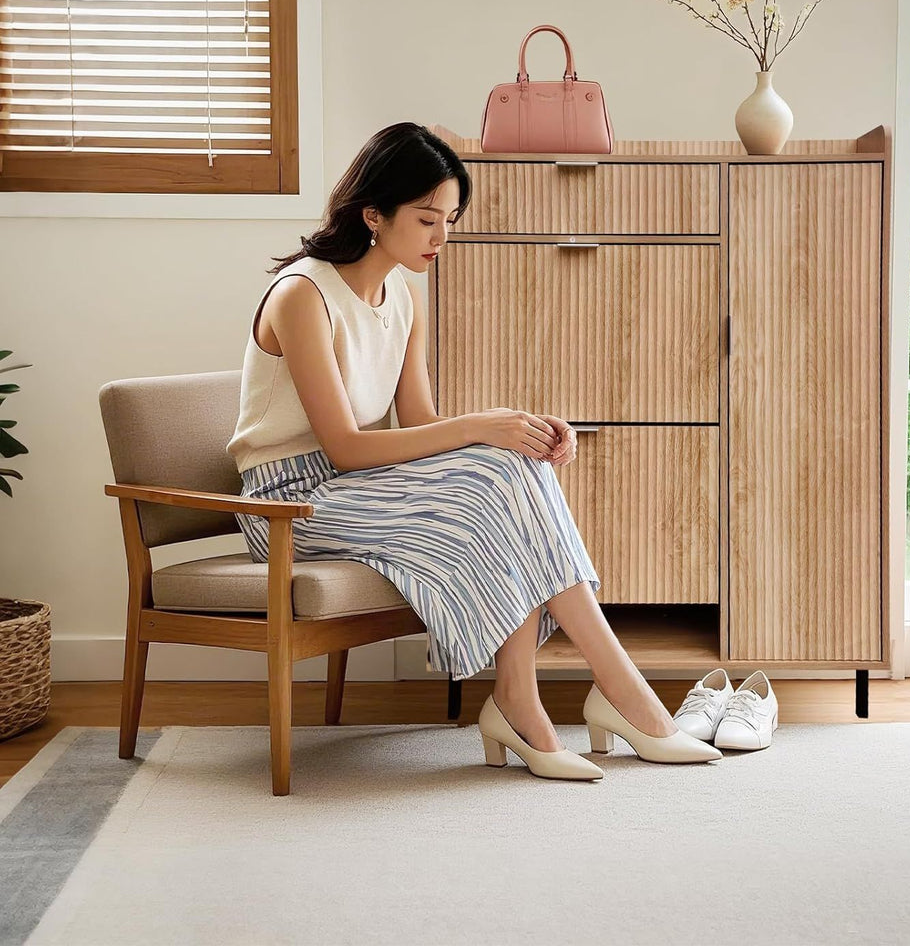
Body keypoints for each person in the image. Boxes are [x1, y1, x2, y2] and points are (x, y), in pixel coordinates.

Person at [227, 121, 716, 779]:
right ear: (373, 214)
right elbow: (344, 448)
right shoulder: (302, 295)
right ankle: (618, 696)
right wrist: (483, 427)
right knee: (495, 468)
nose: (441, 237)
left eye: (450, 220)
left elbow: (419, 424)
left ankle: (523, 701)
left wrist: (521, 432)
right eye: (426, 220)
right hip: (289, 505)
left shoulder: (404, 296)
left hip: (356, 488)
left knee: (510, 467)